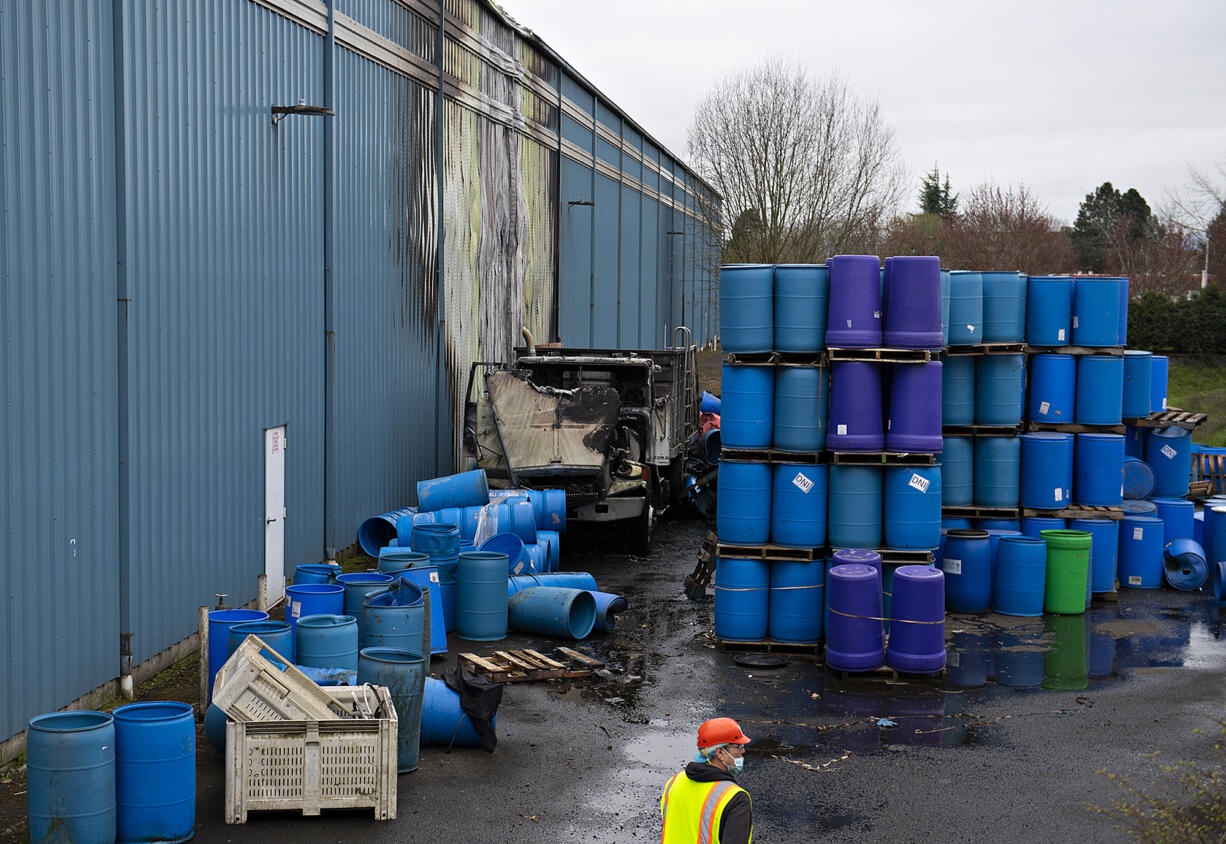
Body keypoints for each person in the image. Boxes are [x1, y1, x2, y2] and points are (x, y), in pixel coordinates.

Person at [659, 717, 753, 843]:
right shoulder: (735, 798)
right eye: (738, 746)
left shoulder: (674, 782)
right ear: (720, 753)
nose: (743, 751)